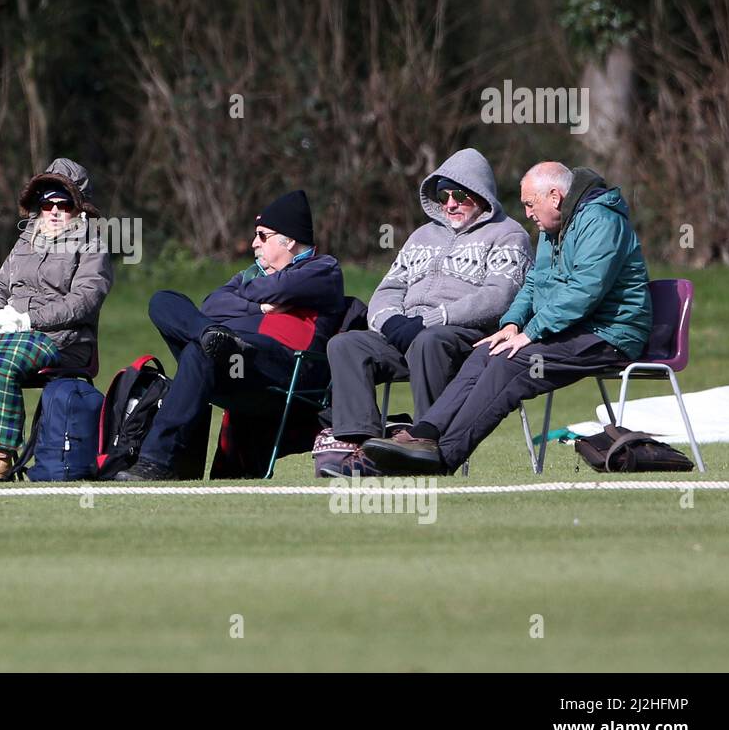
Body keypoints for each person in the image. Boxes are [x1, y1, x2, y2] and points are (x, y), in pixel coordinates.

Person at [362, 162, 652, 475]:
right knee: (485, 352)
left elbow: (586, 291)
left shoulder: (600, 221)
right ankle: (424, 435)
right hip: (576, 327)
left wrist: (532, 332)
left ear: (555, 196)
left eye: (530, 204)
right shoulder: (554, 226)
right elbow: (534, 282)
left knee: (510, 364)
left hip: (610, 334)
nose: (527, 213)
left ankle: (442, 459)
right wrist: (512, 324)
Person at [104, 189, 346, 481]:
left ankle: (156, 462)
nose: (254, 243)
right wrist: (260, 307)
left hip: (284, 367)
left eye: (262, 235)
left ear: (290, 240)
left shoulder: (323, 268)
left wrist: (247, 293)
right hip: (234, 361)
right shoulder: (255, 272)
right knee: (164, 301)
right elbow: (212, 303)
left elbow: (279, 288)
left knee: (204, 349)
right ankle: (209, 335)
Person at [324, 148, 533, 475]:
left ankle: (427, 446)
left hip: (468, 338)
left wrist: (430, 320)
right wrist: (390, 321)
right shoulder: (421, 236)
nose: (450, 203)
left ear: (481, 195)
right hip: (406, 333)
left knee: (429, 341)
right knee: (346, 344)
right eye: (443, 194)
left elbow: (499, 297)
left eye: (460, 195)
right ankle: (363, 448)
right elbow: (388, 289)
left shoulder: (509, 234)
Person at [0, 158, 113, 483]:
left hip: (63, 340)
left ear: (79, 208)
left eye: (62, 204)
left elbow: (83, 303)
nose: (52, 211)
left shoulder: (94, 246)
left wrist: (28, 320)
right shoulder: (26, 241)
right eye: (45, 203)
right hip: (9, 333)